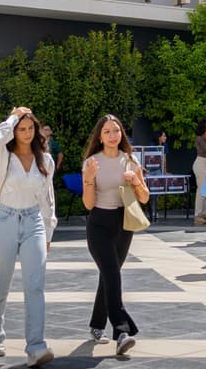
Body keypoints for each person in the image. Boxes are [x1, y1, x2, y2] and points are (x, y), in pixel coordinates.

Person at [0, 106, 58, 366]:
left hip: (34, 222)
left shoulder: (45, 160)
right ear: (14, 131)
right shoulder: (3, 156)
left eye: (30, 128)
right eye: (21, 129)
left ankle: (36, 346)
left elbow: (48, 198)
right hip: (5, 219)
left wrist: (48, 233)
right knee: (0, 283)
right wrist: (14, 116)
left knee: (35, 285)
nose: (26, 133)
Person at [81, 114, 148, 355]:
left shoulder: (130, 160)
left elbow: (144, 198)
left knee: (109, 275)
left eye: (116, 131)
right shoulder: (92, 162)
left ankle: (97, 325)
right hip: (99, 224)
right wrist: (89, 180)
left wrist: (136, 181)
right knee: (111, 273)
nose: (112, 135)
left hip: (123, 223)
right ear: (100, 136)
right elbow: (88, 204)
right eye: (107, 131)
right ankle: (121, 331)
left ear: (122, 134)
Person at [192, 119, 206, 226]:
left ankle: (204, 213)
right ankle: (198, 215)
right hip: (201, 162)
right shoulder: (199, 138)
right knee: (201, 189)